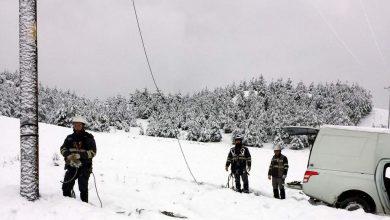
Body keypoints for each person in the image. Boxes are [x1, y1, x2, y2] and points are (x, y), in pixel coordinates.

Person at [60, 116, 96, 203]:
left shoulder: (89, 138)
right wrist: (68, 155)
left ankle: (84, 206)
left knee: (83, 187)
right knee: (66, 186)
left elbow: (93, 152)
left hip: (85, 167)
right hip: (72, 165)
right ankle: (67, 203)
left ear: (83, 126)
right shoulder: (69, 138)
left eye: (79, 125)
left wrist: (80, 155)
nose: (77, 126)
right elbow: (63, 149)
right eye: (75, 125)